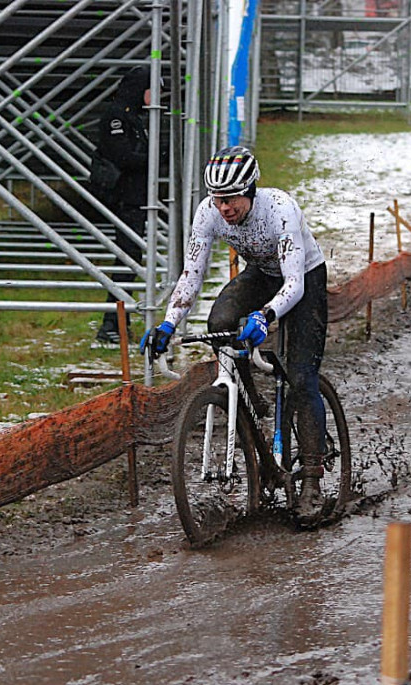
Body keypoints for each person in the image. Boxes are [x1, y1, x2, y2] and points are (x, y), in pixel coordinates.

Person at [141, 146, 330, 518]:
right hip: (261, 273)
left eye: (231, 200)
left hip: (303, 277)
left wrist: (265, 315)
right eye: (217, 200)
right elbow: (191, 275)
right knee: (220, 323)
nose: (224, 208)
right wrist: (168, 322)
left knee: (301, 376)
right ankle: (249, 400)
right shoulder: (208, 214)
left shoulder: (279, 210)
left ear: (250, 190)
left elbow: (294, 283)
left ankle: (311, 480)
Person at [92, 65, 164, 345]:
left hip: (135, 198)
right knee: (126, 259)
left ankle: (117, 322)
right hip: (124, 198)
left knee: (130, 259)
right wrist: (156, 156)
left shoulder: (133, 116)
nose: (153, 97)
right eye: (150, 90)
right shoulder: (117, 116)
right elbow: (123, 156)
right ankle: (112, 323)